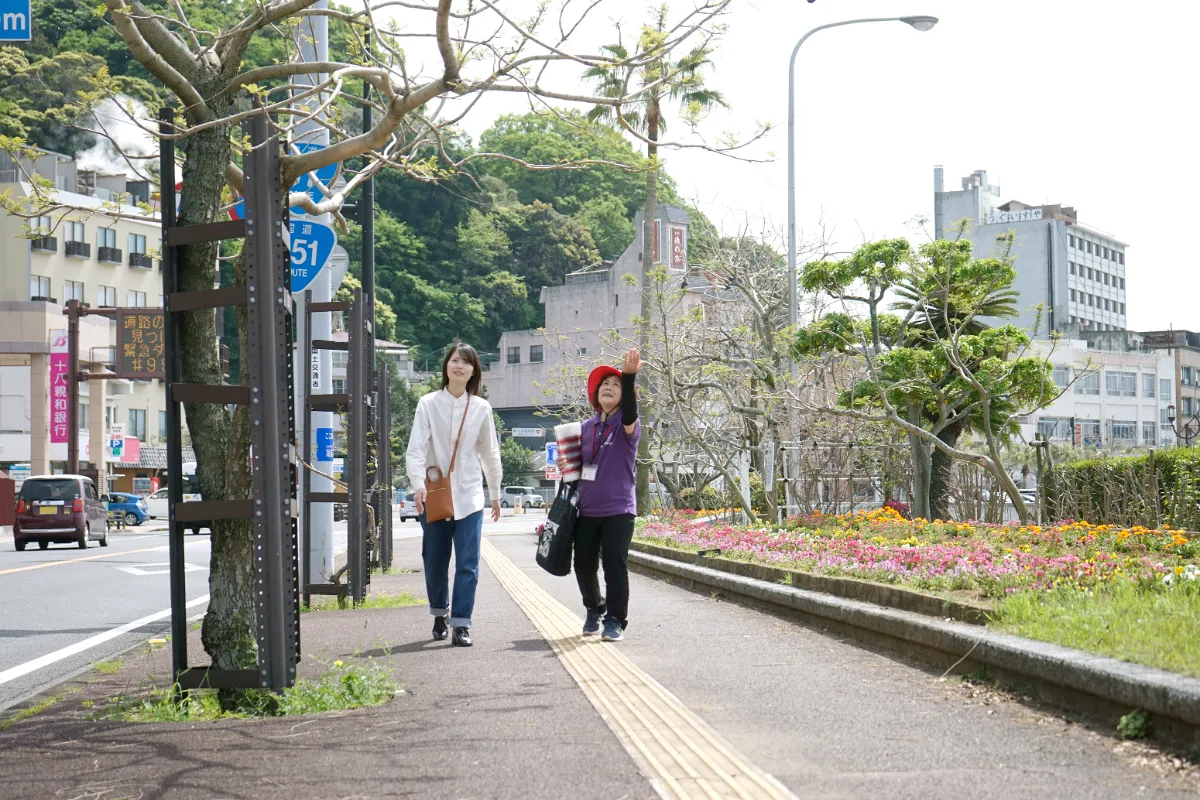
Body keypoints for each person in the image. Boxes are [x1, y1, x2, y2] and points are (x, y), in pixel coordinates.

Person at [406, 343, 502, 647]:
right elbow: (416, 448)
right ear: (446, 366)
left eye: (465, 362)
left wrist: (496, 493)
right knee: (434, 559)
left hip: (470, 495)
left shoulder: (481, 408)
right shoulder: (428, 403)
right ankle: (439, 613)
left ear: (474, 371)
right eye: (454, 360)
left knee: (468, 562)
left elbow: (490, 454)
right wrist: (417, 484)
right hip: (434, 493)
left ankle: (462, 623)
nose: (458, 366)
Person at [559, 348, 641, 642]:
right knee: (582, 566)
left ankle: (616, 620)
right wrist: (564, 465)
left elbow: (630, 409)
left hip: (619, 509)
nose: (609, 387)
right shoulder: (584, 428)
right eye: (604, 384)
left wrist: (629, 376)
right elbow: (575, 469)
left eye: (615, 385)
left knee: (614, 567)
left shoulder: (627, 424)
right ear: (596, 393)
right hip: (587, 510)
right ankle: (594, 608)